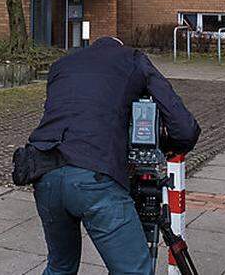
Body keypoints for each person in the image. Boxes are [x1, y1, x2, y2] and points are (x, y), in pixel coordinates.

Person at [25, 36, 201, 275]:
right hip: (94, 175)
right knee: (134, 270)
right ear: (119, 46)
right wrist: (169, 147)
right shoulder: (132, 58)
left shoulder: (63, 64)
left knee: (60, 266)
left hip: (44, 171)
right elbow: (185, 128)